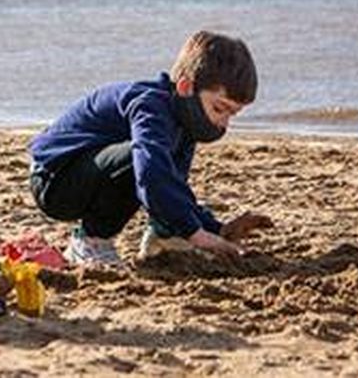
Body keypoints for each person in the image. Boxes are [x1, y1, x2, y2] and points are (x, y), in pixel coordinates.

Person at [27, 30, 273, 267]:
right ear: (186, 87)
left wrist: (214, 228)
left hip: (91, 171)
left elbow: (173, 182)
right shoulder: (150, 105)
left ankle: (163, 233)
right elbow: (151, 173)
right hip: (54, 179)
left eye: (232, 114)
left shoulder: (184, 118)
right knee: (144, 159)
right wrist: (197, 235)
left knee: (161, 168)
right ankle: (90, 241)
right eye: (219, 109)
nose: (223, 122)